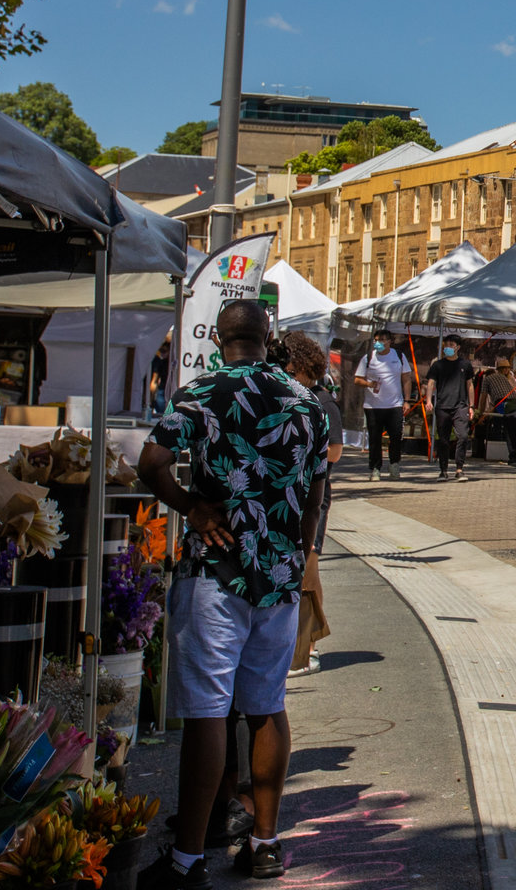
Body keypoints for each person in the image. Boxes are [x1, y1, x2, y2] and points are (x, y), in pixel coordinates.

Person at [139, 299, 328, 886]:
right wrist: (299, 549)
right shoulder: (305, 401)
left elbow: (151, 463)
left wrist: (191, 506)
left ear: (219, 339)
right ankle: (266, 844)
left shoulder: (200, 394)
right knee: (268, 705)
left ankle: (190, 856)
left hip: (216, 572)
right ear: (267, 335)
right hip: (277, 575)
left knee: (207, 712)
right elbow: (318, 489)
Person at [278, 332, 345, 677]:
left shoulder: (322, 401)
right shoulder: (289, 396)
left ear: (302, 366)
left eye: (288, 365)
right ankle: (295, 645)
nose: (283, 372)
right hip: (293, 494)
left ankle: (308, 648)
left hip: (313, 495)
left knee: (308, 569)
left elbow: (334, 450)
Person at [355, 331, 411, 481]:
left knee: (396, 437)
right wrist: (368, 384)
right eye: (376, 340)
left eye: (382, 340)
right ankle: (375, 468)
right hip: (373, 406)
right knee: (374, 438)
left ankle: (394, 464)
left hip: (394, 405)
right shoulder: (368, 357)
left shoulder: (398, 356)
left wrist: (407, 400)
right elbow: (357, 379)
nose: (378, 343)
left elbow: (406, 379)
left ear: (389, 341)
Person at [423, 335, 475, 481]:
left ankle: (459, 468)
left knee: (463, 436)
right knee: (443, 439)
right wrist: (429, 400)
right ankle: (443, 470)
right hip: (443, 406)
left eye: (451, 345)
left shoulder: (465, 365)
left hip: (461, 405)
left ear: (458, 347)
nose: (448, 348)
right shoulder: (438, 365)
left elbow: (470, 385)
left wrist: (471, 406)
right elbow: (431, 383)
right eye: (446, 345)